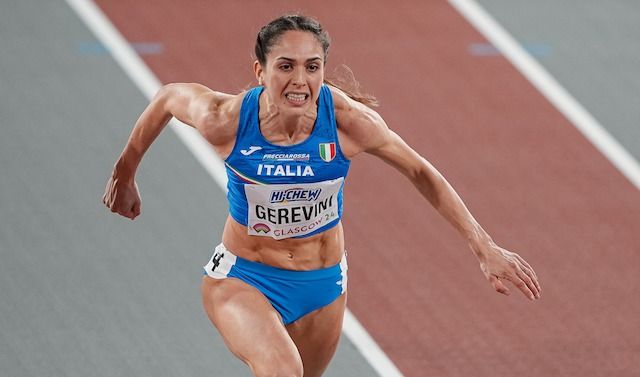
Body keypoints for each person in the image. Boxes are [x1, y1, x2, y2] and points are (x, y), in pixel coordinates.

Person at [102, 14, 541, 377]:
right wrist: (125, 172)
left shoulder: (348, 121)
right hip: (244, 279)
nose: (300, 80)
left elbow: (420, 171)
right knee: (282, 372)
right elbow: (166, 98)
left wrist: (483, 246)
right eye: (285, 66)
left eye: (312, 66)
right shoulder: (227, 120)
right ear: (260, 71)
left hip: (324, 284)